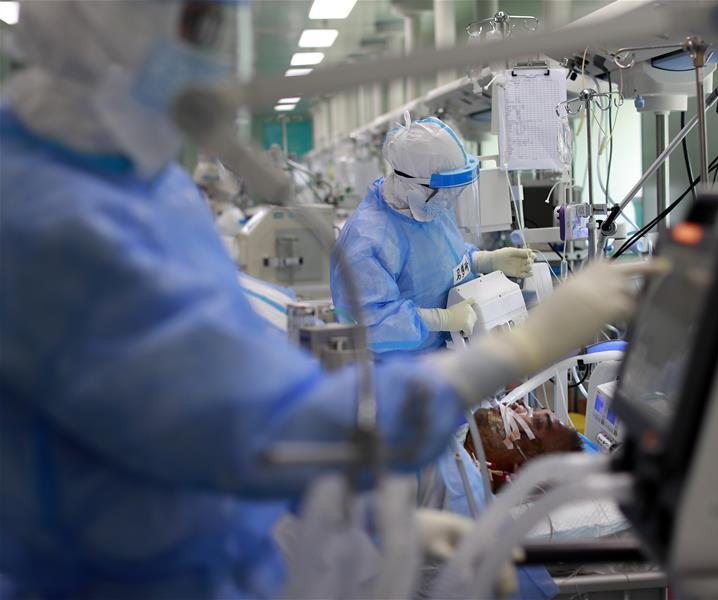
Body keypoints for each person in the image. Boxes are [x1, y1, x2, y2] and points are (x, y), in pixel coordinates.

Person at [0, 1, 662, 597]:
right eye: (199, 23)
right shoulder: (51, 225)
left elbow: (221, 413)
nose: (212, 57)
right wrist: (523, 346)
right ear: (105, 25)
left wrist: (371, 516)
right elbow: (269, 424)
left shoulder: (149, 187)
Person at [331, 113, 536, 359]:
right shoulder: (367, 240)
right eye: (445, 191)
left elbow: (444, 259)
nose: (449, 201)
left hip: (448, 354)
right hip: (397, 370)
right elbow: (371, 321)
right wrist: (442, 319)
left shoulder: (429, 207)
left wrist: (485, 260)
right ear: (413, 185)